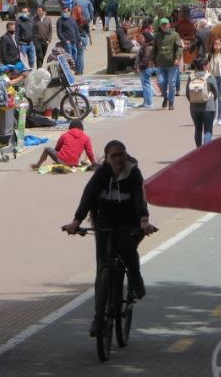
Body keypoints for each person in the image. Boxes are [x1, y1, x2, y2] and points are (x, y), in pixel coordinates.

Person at [62, 140, 156, 329]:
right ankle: (99, 318)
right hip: (105, 220)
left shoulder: (133, 173)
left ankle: (136, 278)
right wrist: (76, 221)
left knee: (125, 247)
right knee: (102, 267)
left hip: (130, 221)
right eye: (114, 156)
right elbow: (88, 195)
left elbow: (140, 197)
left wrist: (144, 220)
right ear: (107, 158)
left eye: (121, 154)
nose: (119, 159)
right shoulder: (102, 173)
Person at [30, 120, 97, 170]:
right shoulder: (86, 137)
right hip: (74, 163)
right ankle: (70, 164)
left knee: (47, 149)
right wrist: (94, 163)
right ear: (82, 129)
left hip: (61, 160)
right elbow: (89, 153)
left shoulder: (65, 135)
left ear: (70, 128)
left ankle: (38, 165)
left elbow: (57, 148)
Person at [186, 57, 219, 147]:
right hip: (208, 107)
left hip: (194, 108)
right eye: (208, 64)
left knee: (198, 129)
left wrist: (193, 101)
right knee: (208, 130)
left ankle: (198, 150)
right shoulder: (210, 77)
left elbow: (187, 93)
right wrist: (213, 101)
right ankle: (206, 150)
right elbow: (216, 92)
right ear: (205, 66)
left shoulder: (191, 77)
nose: (209, 66)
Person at [151, 18, 182, 110]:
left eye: (166, 24)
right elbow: (154, 49)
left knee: (171, 83)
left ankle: (171, 102)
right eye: (162, 25)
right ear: (160, 26)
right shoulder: (157, 36)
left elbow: (179, 47)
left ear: (169, 25)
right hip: (160, 64)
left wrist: (177, 58)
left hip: (172, 64)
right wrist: (152, 60)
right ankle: (165, 97)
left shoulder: (175, 35)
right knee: (160, 82)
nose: (164, 26)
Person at [206, 39, 221, 126]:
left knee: (220, 99)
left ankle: (219, 118)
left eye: (218, 44)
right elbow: (206, 67)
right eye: (215, 44)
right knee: (213, 99)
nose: (216, 46)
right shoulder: (209, 55)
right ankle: (213, 118)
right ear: (213, 45)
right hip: (212, 79)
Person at [137, 28, 156, 109]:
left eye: (141, 38)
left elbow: (145, 60)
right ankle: (146, 102)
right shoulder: (146, 46)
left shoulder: (147, 48)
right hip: (146, 67)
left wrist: (140, 66)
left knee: (146, 85)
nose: (140, 39)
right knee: (145, 85)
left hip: (146, 68)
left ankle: (149, 103)